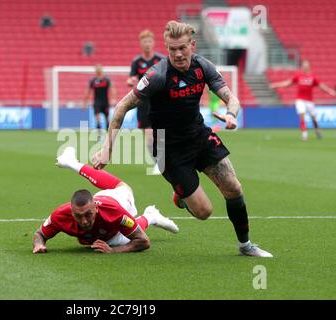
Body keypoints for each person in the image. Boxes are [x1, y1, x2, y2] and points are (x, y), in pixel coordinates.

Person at [93, 20, 273, 258]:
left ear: (192, 45)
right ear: (167, 48)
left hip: (199, 136)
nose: (177, 54)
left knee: (234, 188)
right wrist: (107, 149)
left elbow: (232, 98)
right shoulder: (157, 75)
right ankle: (181, 196)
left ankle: (245, 245)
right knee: (204, 212)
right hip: (168, 149)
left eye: (182, 48)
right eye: (172, 49)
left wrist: (231, 114)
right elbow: (122, 107)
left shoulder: (203, 67)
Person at [32, 146, 179, 254]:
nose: (84, 221)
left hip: (121, 201)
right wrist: (38, 245)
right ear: (71, 212)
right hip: (101, 196)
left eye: (88, 215)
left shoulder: (114, 213)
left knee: (118, 238)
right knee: (117, 186)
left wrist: (113, 251)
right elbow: (40, 234)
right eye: (78, 216)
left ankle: (150, 217)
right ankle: (71, 162)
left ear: (96, 208)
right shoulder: (61, 215)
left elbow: (143, 241)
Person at [127, 30, 165, 175]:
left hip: (159, 103)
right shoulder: (137, 62)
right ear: (141, 44)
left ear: (153, 42)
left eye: (149, 41)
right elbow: (131, 79)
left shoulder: (161, 60)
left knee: (160, 133)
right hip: (143, 104)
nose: (147, 44)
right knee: (149, 137)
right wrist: (131, 81)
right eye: (144, 41)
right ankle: (157, 162)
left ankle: (162, 162)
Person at [270, 60, 336, 141]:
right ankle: (304, 134)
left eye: (306, 65)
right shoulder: (298, 76)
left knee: (313, 118)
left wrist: (330, 91)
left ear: (309, 67)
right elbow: (287, 83)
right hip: (300, 100)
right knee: (302, 115)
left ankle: (317, 131)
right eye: (303, 65)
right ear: (302, 67)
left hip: (309, 101)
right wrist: (276, 85)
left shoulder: (313, 77)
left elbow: (321, 86)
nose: (304, 67)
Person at [82, 64, 116, 130]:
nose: (97, 72)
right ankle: (99, 136)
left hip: (105, 102)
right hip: (96, 103)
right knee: (98, 120)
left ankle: (108, 136)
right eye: (97, 70)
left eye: (99, 70)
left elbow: (112, 90)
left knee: (107, 120)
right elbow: (87, 92)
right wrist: (84, 103)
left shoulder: (106, 80)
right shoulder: (93, 81)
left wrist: (113, 99)